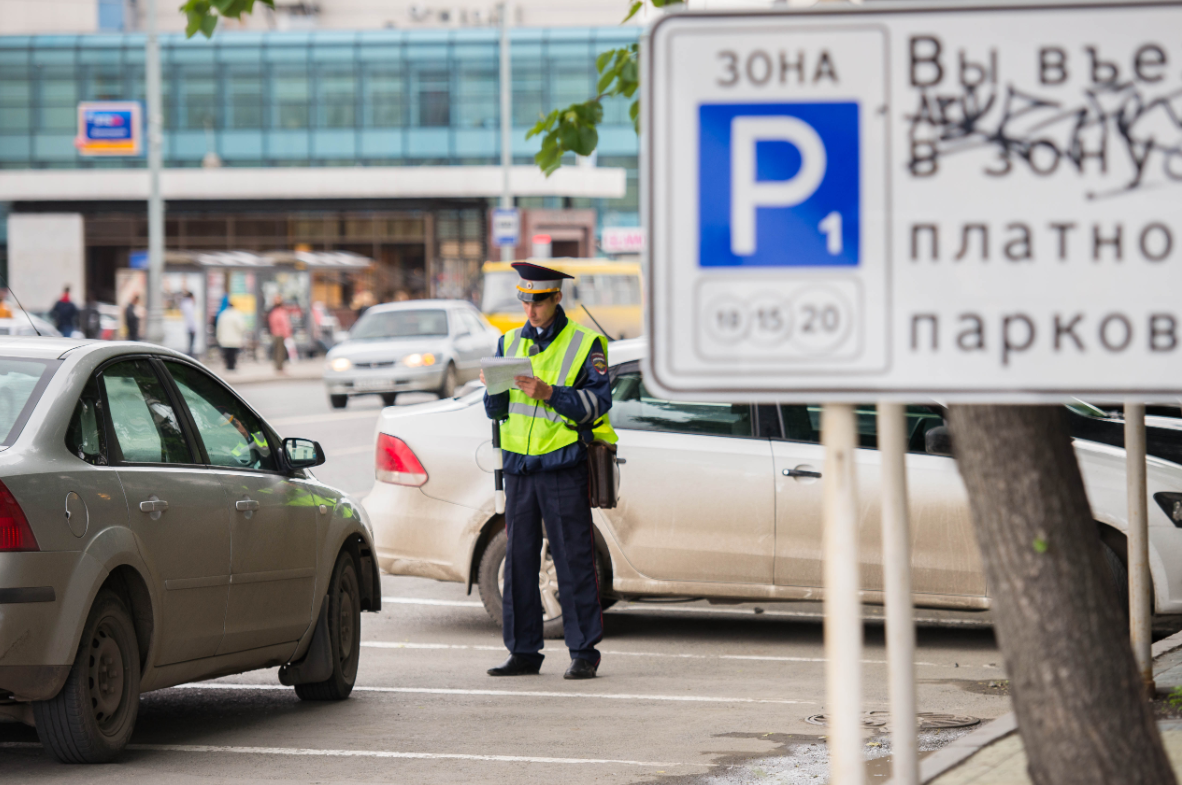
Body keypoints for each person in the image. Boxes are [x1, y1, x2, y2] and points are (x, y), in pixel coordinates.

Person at [481, 262, 616, 680]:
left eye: (537, 301)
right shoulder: (507, 343)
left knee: (573, 558)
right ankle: (523, 651)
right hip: (520, 467)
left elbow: (598, 403)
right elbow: (498, 411)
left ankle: (583, 651)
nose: (530, 309)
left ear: (557, 298)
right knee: (519, 562)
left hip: (562, 465)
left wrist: (550, 394)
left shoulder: (585, 343)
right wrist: (491, 390)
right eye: (525, 301)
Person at [216, 299, 247, 371]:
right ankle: (232, 366)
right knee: (233, 353)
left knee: (227, 353)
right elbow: (241, 327)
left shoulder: (223, 314)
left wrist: (219, 336)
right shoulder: (237, 314)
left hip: (225, 338)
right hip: (234, 339)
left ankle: (228, 366)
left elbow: (219, 327)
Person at [267, 294, 292, 372]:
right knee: (280, 351)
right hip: (280, 334)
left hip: (275, 333)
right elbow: (285, 324)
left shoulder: (273, 312)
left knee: (277, 350)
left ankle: (278, 366)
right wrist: (287, 333)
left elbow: (271, 323)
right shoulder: (281, 312)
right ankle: (280, 367)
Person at [180, 290, 198, 357]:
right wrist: (193, 328)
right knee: (191, 345)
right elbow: (191, 318)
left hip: (187, 327)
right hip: (191, 327)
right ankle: (190, 357)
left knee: (189, 344)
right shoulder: (189, 305)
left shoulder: (184, 304)